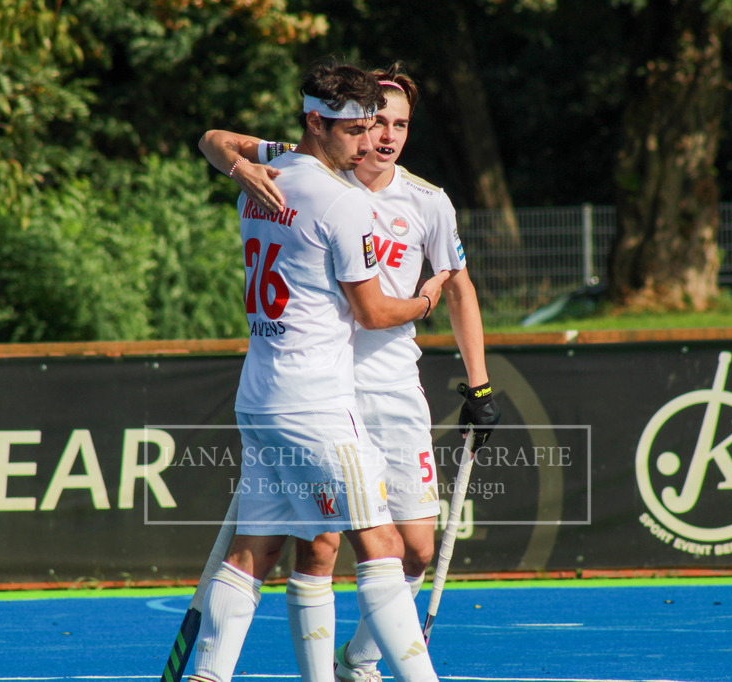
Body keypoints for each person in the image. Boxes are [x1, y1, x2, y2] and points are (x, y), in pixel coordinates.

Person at [199, 62, 500, 682]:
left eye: (390, 126)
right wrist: (423, 301)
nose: (375, 140)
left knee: (262, 548)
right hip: (321, 400)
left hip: (277, 393)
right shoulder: (336, 196)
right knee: (366, 547)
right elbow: (370, 310)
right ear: (319, 124)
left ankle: (214, 673)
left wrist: (479, 381)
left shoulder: (290, 174)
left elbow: (217, 142)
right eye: (363, 127)